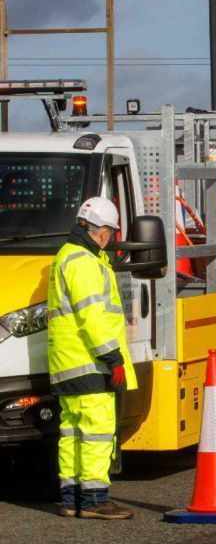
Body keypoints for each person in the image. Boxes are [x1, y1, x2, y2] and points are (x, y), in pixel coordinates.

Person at [47, 197, 136, 520]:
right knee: (98, 431)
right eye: (110, 233)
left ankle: (71, 499)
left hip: (67, 363)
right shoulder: (84, 262)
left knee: (71, 433)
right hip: (90, 361)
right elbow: (92, 317)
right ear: (102, 232)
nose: (110, 239)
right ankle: (96, 499)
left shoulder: (64, 257)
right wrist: (113, 357)